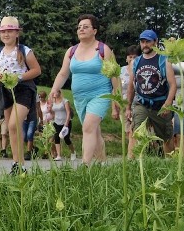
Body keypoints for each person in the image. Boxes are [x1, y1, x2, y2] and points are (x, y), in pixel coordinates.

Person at [50, 14, 120, 164]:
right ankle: (102, 164)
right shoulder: (71, 51)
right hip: (80, 98)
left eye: (86, 26)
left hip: (100, 95)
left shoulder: (103, 49)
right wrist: (54, 89)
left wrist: (118, 100)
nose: (81, 29)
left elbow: (114, 75)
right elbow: (63, 73)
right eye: (79, 27)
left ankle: (85, 167)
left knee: (88, 127)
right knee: (94, 131)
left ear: (94, 31)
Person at [0, 16, 42, 175]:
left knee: (13, 124)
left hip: (24, 89)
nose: (6, 34)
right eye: (3, 31)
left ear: (17, 33)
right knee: (12, 128)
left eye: (10, 31)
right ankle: (17, 164)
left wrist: (18, 77)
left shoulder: (24, 51)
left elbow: (36, 70)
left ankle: (21, 164)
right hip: (6, 91)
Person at [126, 29, 177, 155]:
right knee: (136, 133)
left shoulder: (164, 61)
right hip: (142, 103)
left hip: (160, 105)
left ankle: (170, 164)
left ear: (156, 42)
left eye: (148, 41)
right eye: (142, 42)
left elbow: (173, 85)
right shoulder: (136, 62)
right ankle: (132, 163)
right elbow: (131, 86)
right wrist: (128, 107)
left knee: (166, 137)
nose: (145, 45)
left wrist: (168, 103)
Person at [121, 45, 140, 154]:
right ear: (126, 58)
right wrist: (115, 107)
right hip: (123, 104)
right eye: (130, 57)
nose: (132, 59)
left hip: (137, 104)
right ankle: (132, 152)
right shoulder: (121, 71)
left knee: (134, 131)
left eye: (135, 57)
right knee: (128, 131)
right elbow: (116, 89)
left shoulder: (140, 69)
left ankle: (131, 155)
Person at [49, 90, 76, 161]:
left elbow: (68, 112)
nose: (53, 94)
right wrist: (50, 111)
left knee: (66, 138)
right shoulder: (53, 102)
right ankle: (58, 155)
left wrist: (66, 123)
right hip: (56, 122)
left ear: (59, 93)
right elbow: (53, 113)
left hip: (66, 122)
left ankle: (73, 152)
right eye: (53, 93)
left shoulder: (65, 101)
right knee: (57, 137)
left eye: (55, 92)